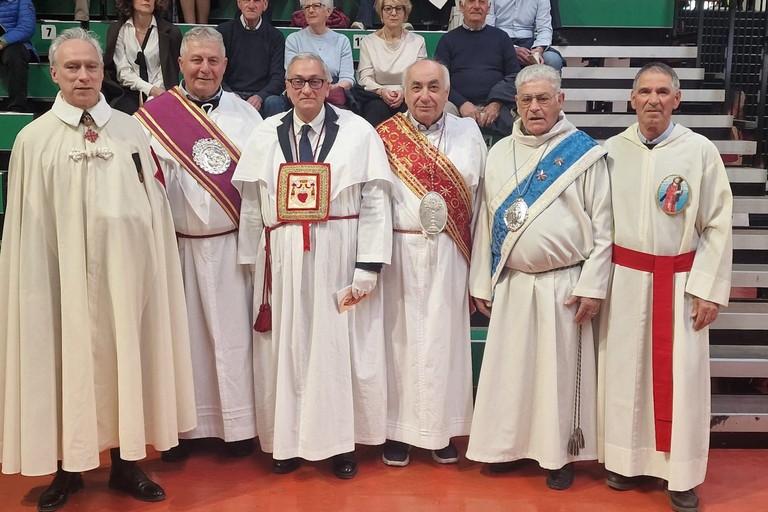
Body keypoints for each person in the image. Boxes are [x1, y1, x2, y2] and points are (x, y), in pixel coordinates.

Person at [0, 27, 196, 512]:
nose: (84, 75)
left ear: (103, 71)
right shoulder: (34, 139)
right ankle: (69, 469)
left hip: (124, 276)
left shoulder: (132, 133)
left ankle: (127, 461)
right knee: (66, 362)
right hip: (59, 277)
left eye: (91, 66)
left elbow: (150, 207)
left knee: (124, 359)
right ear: (54, 74)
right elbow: (26, 224)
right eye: (72, 67)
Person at [233, 52, 393, 480]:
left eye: (316, 81)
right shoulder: (265, 132)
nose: (307, 89)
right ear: (285, 86)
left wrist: (368, 267)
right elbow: (252, 204)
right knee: (285, 348)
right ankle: (285, 441)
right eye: (298, 81)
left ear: (329, 85)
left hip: (338, 252)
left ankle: (340, 444)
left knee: (334, 350)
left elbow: (376, 201)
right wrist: (251, 262)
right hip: (281, 256)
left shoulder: (358, 132)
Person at [466, 63, 612, 490]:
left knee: (555, 377)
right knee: (510, 374)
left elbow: (605, 229)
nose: (534, 107)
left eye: (543, 98)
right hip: (512, 283)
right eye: (526, 99)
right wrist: (482, 281)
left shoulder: (584, 153)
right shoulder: (498, 152)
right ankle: (506, 448)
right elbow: (485, 225)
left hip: (563, 286)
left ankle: (558, 456)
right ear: (516, 104)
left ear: (560, 101)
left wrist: (592, 286)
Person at [599, 62, 733, 512]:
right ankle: (624, 461)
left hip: (679, 283)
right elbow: (598, 226)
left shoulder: (699, 151)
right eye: (644, 92)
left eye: (662, 92)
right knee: (623, 375)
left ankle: (682, 473)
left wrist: (709, 288)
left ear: (677, 99)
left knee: (683, 379)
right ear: (632, 100)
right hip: (626, 279)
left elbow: (716, 224)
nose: (652, 99)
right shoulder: (611, 151)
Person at [135, 26, 263, 462]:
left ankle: (239, 427)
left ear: (225, 65)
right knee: (182, 341)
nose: (205, 68)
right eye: (196, 60)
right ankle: (183, 430)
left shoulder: (248, 118)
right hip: (179, 247)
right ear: (181, 65)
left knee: (233, 339)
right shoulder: (153, 117)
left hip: (231, 246)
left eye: (213, 61)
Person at [376, 59, 485, 466]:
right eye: (417, 87)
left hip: (450, 253)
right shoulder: (385, 135)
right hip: (399, 253)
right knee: (398, 342)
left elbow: (482, 204)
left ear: (447, 91)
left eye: (434, 87)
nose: (425, 95)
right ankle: (396, 432)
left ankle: (440, 431)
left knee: (444, 342)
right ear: (404, 92)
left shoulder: (468, 132)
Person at [434, 0, 520, 136]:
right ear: (461, 7)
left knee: (522, 119)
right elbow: (440, 80)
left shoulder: (502, 38)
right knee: (440, 114)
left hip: (498, 103)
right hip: (456, 104)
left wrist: (496, 102)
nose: (477, 6)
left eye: (482, 2)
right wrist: (462, 104)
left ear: (488, 8)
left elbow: (514, 76)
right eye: (471, 1)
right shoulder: (448, 40)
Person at [268, 0, 355, 114]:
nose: (311, 10)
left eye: (316, 6)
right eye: (306, 7)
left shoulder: (341, 40)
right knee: (272, 102)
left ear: (328, 11)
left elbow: (348, 79)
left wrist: (326, 89)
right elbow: (290, 73)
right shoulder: (294, 39)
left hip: (332, 89)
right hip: (301, 87)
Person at [103, 0, 182, 114]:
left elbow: (167, 71)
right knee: (124, 112)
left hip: (162, 90)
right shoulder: (118, 30)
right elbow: (123, 72)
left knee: (159, 112)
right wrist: (149, 89)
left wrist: (154, 94)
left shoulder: (171, 32)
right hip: (127, 91)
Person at [356, 0, 426, 126]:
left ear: (405, 14)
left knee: (411, 106)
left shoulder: (418, 41)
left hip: (408, 95)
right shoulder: (368, 42)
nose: (393, 13)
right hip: (377, 96)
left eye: (398, 9)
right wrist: (382, 91)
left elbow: (420, 78)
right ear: (381, 14)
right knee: (376, 108)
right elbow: (365, 78)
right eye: (388, 8)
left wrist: (403, 92)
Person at [217, 0, 285, 115]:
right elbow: (216, 71)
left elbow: (278, 77)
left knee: (274, 102)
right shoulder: (223, 32)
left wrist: (260, 97)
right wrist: (230, 94)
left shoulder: (275, 36)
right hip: (230, 94)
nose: (251, 6)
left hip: (262, 98)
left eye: (257, 1)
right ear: (239, 4)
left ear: (265, 5)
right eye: (246, 0)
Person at [487, 0, 564, 71]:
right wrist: (511, 49)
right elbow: (488, 29)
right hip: (500, 40)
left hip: (529, 42)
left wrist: (538, 49)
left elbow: (544, 28)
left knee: (553, 59)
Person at [0, 0, 35, 112]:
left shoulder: (22, 1)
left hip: (13, 44)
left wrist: (2, 41)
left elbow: (26, 27)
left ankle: (17, 106)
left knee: (15, 56)